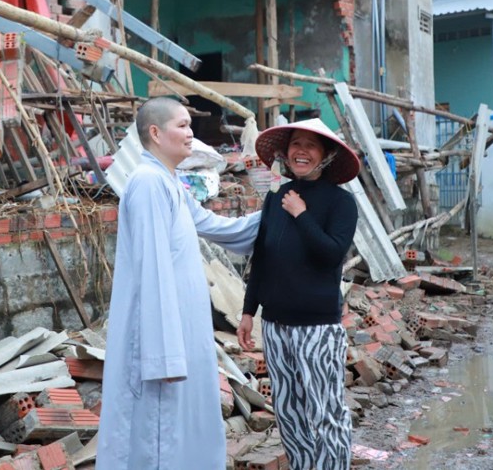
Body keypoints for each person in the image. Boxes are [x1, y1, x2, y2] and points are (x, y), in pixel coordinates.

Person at [96, 97, 262, 469]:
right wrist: (163, 357)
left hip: (183, 332)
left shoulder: (169, 181)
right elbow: (152, 271)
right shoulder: (147, 183)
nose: (191, 134)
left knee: (182, 430)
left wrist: (272, 218)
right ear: (155, 133)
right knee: (158, 435)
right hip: (160, 341)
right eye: (182, 125)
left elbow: (215, 226)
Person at [237, 118, 360, 470]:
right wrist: (248, 311)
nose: (301, 151)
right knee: (289, 414)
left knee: (325, 412)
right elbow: (262, 256)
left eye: (310, 145)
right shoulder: (276, 197)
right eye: (295, 144)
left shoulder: (341, 203)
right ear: (285, 153)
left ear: (326, 155)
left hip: (317, 327)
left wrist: (302, 214)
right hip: (275, 326)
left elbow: (331, 255)